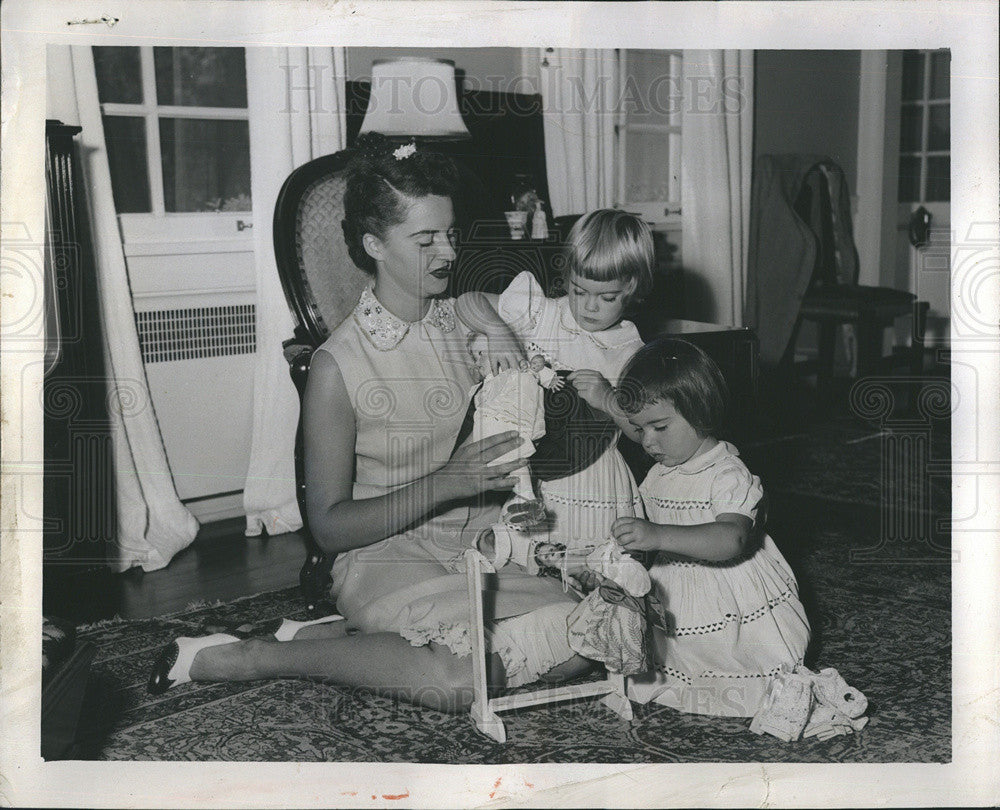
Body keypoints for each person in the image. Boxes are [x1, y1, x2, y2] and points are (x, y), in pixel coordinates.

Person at [147, 134, 593, 709]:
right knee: (461, 682)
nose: (449, 253)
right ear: (373, 244)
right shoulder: (338, 364)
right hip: (384, 549)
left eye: (451, 234)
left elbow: (487, 315)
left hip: (479, 542)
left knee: (597, 633)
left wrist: (513, 497)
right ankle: (251, 656)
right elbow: (329, 528)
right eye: (425, 238)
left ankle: (340, 636)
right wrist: (447, 483)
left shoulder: (469, 321)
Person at [612, 337, 812, 718]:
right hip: (674, 586)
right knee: (666, 655)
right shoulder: (660, 472)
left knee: (737, 660)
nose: (647, 442)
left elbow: (730, 539)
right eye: (639, 431)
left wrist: (658, 535)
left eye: (659, 427)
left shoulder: (727, 474)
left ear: (701, 413)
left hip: (728, 588)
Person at [455, 208, 654, 554]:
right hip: (532, 476)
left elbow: (643, 434)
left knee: (589, 569)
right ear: (569, 277)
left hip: (592, 480)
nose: (589, 306)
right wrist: (497, 329)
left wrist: (608, 400)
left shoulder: (631, 352)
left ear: (631, 287)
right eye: (579, 291)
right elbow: (467, 301)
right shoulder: (543, 312)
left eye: (606, 297)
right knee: (530, 561)